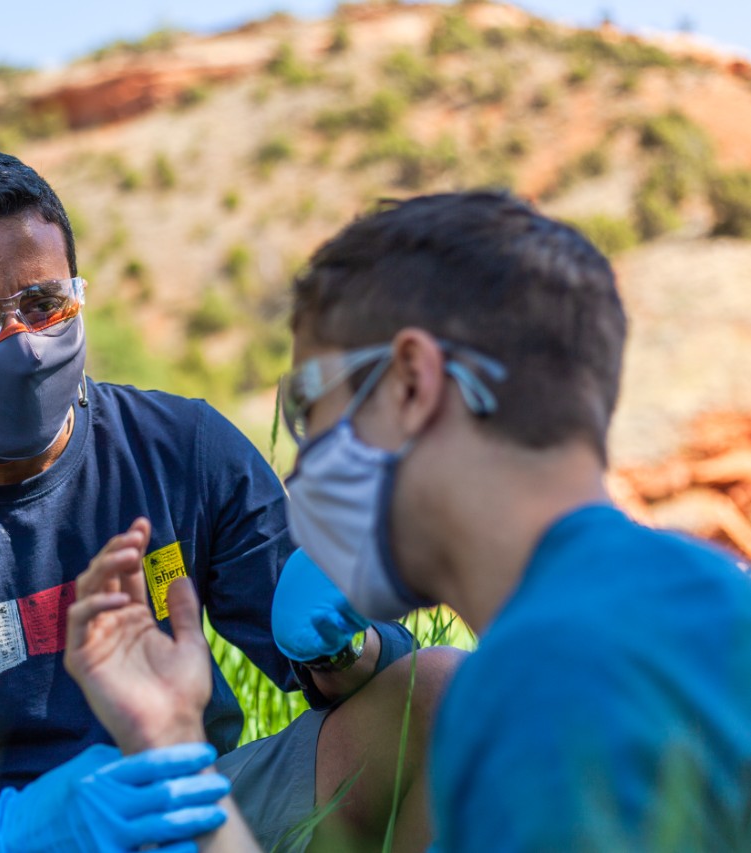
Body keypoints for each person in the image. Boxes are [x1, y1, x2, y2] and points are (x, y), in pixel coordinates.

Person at [0, 143, 462, 853]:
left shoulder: (183, 445)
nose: (24, 344)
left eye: (44, 304)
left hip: (190, 806)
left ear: (78, 296)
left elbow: (370, 690)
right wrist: (12, 830)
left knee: (441, 692)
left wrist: (342, 643)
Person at [263, 191, 751, 848]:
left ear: (410, 383)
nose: (306, 456)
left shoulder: (545, 682)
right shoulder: (707, 593)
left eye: (308, 405)